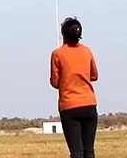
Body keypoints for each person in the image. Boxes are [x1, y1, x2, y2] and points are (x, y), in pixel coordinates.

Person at [50, 17, 99, 158]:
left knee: (76, 152)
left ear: (63, 34)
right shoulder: (87, 51)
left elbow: (55, 82)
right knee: (89, 151)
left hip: (69, 106)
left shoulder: (57, 54)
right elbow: (94, 76)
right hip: (89, 104)